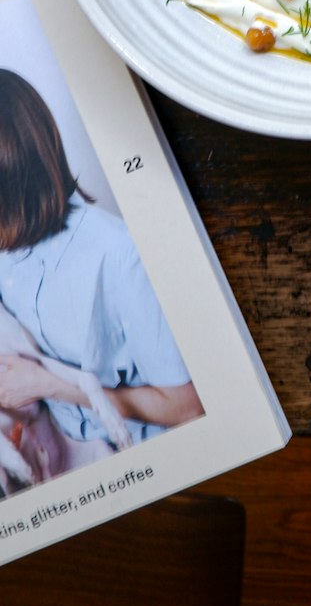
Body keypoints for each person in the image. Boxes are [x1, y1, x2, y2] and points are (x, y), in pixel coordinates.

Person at [0, 69, 202, 458]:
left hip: (138, 455)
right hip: (55, 448)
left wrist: (47, 385)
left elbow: (187, 408)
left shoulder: (119, 255)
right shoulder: (8, 251)